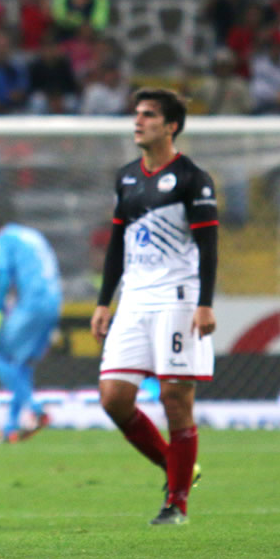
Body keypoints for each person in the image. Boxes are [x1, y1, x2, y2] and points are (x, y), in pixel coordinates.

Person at [91, 88, 216, 526]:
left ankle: (176, 503)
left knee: (174, 398)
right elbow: (117, 244)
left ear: (171, 126)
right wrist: (104, 301)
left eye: (148, 115)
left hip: (177, 300)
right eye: (137, 114)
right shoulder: (126, 177)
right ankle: (176, 466)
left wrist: (205, 303)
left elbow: (208, 245)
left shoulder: (192, 179)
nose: (137, 121)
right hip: (134, 300)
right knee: (113, 398)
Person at [0, 216, 61, 443]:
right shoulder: (31, 235)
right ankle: (11, 427)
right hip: (53, 302)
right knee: (21, 365)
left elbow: (3, 277)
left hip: (32, 303)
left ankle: (36, 409)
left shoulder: (0, 239)